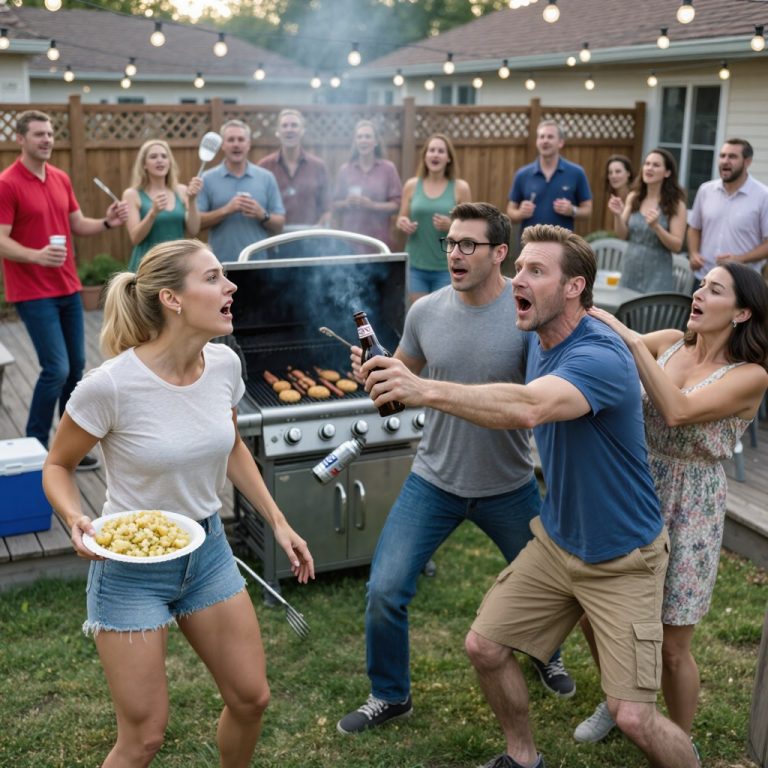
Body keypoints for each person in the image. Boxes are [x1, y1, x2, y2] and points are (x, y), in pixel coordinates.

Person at [361, 223, 701, 768]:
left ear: (574, 287)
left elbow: (527, 408)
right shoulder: (538, 336)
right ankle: (522, 757)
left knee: (634, 715)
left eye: (534, 270)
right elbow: (486, 367)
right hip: (557, 542)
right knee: (485, 647)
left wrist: (423, 390)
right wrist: (401, 370)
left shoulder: (599, 355)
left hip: (623, 557)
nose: (518, 277)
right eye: (518, 266)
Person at [41, 238, 314, 767]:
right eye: (212, 277)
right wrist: (76, 518)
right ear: (172, 299)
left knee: (251, 698)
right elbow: (57, 466)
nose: (230, 285)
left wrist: (277, 521)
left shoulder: (223, 365)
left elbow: (230, 443)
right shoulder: (110, 386)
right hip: (130, 570)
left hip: (206, 551)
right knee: (143, 738)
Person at [336, 203, 575, 738]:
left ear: (499, 254)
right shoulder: (425, 312)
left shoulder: (526, 313)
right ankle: (390, 695)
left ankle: (548, 655)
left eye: (470, 245)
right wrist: (373, 378)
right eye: (451, 244)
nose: (455, 254)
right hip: (434, 480)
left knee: (549, 586)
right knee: (385, 588)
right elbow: (399, 391)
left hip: (510, 484)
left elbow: (544, 397)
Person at [573, 263, 768, 748]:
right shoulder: (668, 341)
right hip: (635, 486)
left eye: (714, 290)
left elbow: (677, 411)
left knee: (671, 643)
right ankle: (621, 698)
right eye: (701, 285)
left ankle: (676, 742)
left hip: (692, 504)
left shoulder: (750, 377)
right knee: (593, 612)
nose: (698, 293)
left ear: (742, 312)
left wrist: (634, 343)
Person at [0, 109, 128, 469]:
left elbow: (77, 224)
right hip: (31, 292)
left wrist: (107, 221)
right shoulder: (7, 183)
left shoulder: (59, 177)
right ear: (20, 139)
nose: (47, 140)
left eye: (50, 134)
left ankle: (67, 449)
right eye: (39, 134)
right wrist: (36, 256)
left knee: (75, 368)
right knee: (55, 368)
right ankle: (35, 448)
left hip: (67, 287)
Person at [396, 133, 472, 304]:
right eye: (431, 150)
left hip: (446, 266)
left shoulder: (460, 188)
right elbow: (401, 217)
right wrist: (403, 223)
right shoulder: (412, 185)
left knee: (441, 315)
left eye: (440, 151)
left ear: (449, 158)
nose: (435, 154)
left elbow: (470, 229)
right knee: (421, 314)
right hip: (415, 265)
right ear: (425, 156)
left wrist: (451, 226)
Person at [198, 119, 285, 261]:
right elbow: (197, 224)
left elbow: (280, 225)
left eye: (241, 139)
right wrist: (226, 210)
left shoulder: (266, 177)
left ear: (248, 144)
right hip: (220, 265)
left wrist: (261, 214)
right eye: (231, 140)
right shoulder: (207, 178)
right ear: (223, 146)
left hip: (258, 262)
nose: (236, 144)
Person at [688, 138, 768, 282]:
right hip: (704, 278)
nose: (725, 161)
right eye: (722, 155)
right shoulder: (705, 190)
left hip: (743, 283)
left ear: (747, 162)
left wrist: (740, 259)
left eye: (732, 156)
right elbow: (694, 228)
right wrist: (693, 253)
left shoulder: (763, 196)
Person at [609, 148, 687, 294]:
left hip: (657, 275)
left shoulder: (676, 204)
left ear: (667, 173)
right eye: (647, 164)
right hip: (630, 270)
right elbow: (621, 235)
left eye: (656, 165)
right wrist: (617, 215)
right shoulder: (634, 197)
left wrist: (656, 227)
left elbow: (677, 246)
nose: (649, 168)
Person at [123, 139, 202, 271]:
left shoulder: (181, 191)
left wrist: (192, 200)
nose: (160, 160)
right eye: (153, 157)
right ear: (144, 165)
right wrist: (152, 213)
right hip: (147, 267)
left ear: (169, 162)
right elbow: (135, 238)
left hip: (176, 266)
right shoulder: (132, 194)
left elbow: (194, 229)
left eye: (164, 156)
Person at [506, 120, 592, 234]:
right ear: (537, 142)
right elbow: (510, 211)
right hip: (530, 246)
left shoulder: (576, 172)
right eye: (541, 137)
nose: (545, 140)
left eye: (550, 137)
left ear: (560, 142)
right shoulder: (522, 174)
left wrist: (573, 210)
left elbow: (588, 210)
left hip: (563, 246)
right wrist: (520, 213)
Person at [333, 119, 402, 248]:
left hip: (378, 241)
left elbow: (397, 205)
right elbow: (335, 204)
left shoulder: (388, 169)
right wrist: (347, 203)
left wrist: (372, 205)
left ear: (376, 142)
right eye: (359, 137)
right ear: (355, 142)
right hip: (350, 241)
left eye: (367, 137)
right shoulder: (345, 170)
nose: (363, 140)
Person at [258, 108, 332, 228]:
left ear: (302, 131)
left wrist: (321, 226)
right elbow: (259, 208)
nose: (289, 130)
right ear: (278, 132)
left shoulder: (318, 166)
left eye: (294, 125)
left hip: (309, 239)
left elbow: (327, 209)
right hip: (274, 240)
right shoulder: (264, 167)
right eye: (285, 126)